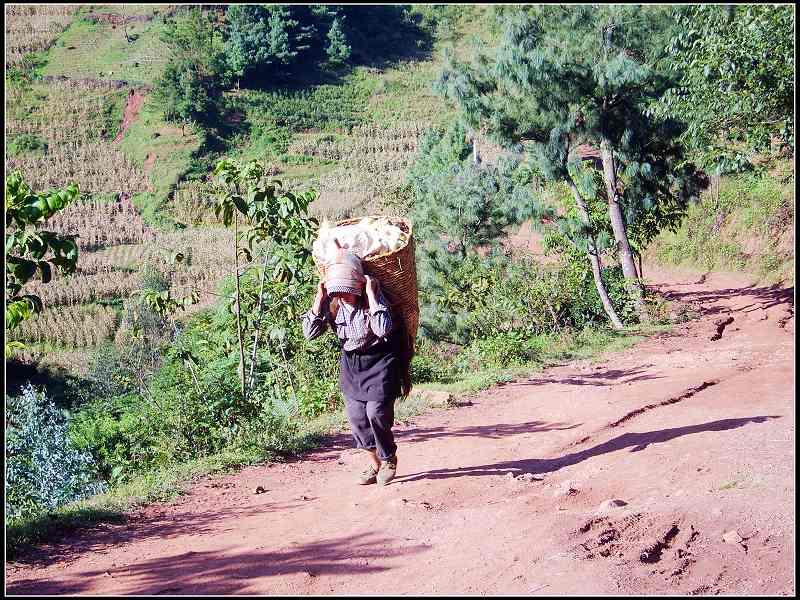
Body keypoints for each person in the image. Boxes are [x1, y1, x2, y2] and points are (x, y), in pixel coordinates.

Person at [302, 249, 411, 486]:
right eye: (339, 291)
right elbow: (309, 334)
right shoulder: (333, 305)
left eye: (348, 291)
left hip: (381, 362)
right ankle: (374, 464)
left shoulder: (375, 299)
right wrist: (319, 298)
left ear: (360, 285)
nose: (344, 296)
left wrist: (372, 294)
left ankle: (388, 458)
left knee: (376, 413)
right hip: (353, 366)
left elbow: (382, 329)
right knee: (357, 418)